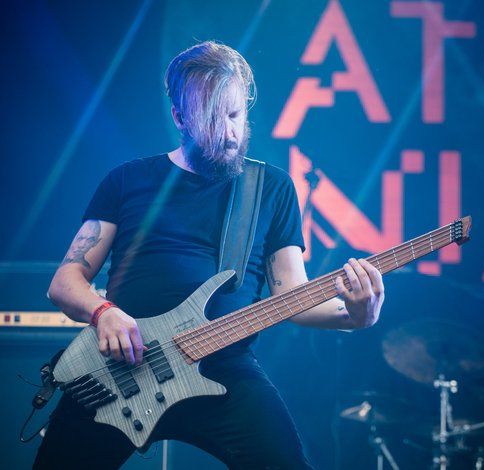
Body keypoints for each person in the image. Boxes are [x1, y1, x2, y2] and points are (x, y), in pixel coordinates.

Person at [33, 41, 385, 469]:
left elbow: (293, 296)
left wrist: (356, 315)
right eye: (212, 119)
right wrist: (104, 312)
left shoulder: (271, 188)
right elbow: (64, 282)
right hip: (122, 368)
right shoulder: (127, 180)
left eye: (235, 115)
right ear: (179, 117)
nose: (228, 133)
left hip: (225, 365)